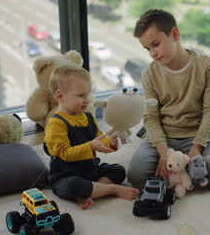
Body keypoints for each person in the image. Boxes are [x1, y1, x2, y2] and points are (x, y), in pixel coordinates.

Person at [127, 9, 210, 191]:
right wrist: (164, 154)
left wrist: (196, 149)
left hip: (196, 133)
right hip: (164, 134)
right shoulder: (150, 73)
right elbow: (151, 118)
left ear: (175, 34)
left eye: (155, 44)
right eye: (147, 49)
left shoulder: (206, 65)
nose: (152, 53)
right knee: (136, 178)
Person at [44, 65, 139, 209]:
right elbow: (64, 154)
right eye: (80, 95)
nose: (87, 100)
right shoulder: (56, 124)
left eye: (88, 94)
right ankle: (111, 189)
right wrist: (90, 147)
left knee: (118, 170)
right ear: (59, 96)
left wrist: (112, 142)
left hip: (91, 171)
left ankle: (92, 191)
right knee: (73, 186)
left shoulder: (88, 117)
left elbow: (99, 138)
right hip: (66, 176)